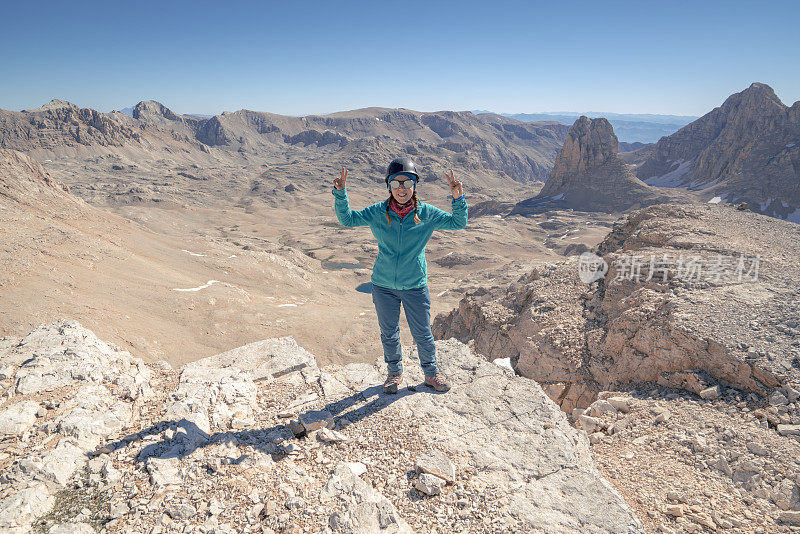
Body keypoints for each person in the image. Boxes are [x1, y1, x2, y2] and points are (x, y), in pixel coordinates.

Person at [331, 157, 468, 394]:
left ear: (415, 185)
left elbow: (458, 222)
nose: (401, 189)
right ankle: (394, 374)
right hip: (383, 285)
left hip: (415, 285)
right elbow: (347, 219)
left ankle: (431, 373)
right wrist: (341, 194)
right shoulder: (377, 211)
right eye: (396, 183)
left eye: (407, 182)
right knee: (389, 332)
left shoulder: (426, 213)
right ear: (389, 186)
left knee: (423, 333)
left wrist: (458, 198)